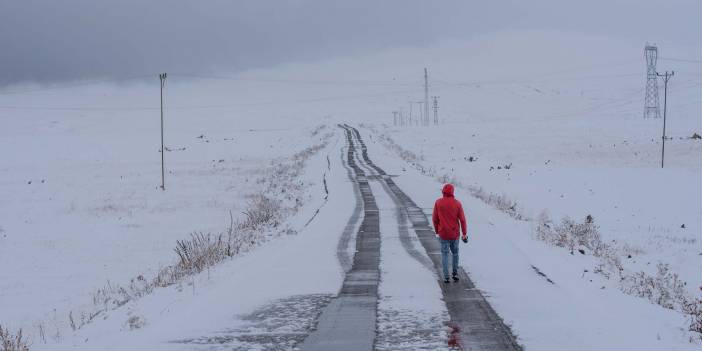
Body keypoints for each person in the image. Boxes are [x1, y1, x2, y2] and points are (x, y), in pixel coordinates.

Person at [432, 183, 468, 283]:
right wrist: (464, 233)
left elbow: (435, 219)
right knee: (455, 253)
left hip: (443, 233)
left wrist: (437, 231)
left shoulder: (438, 203)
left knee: (445, 254)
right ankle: (455, 273)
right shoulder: (457, 203)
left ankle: (446, 276)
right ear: (452, 192)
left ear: (443, 192)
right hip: (454, 234)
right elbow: (463, 220)